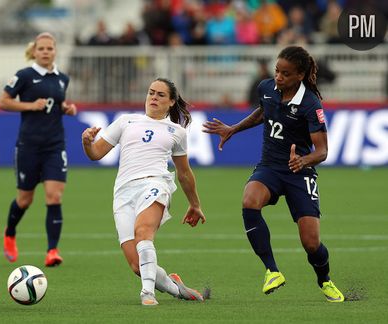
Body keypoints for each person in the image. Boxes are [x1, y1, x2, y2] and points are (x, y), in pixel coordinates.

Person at [202, 46, 344, 302]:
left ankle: (325, 280)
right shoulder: (266, 88)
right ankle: (272, 270)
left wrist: (303, 160)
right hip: (270, 166)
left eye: (285, 73)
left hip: (299, 171)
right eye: (277, 71)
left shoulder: (310, 103)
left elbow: (322, 151)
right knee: (249, 200)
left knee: (311, 244)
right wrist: (233, 128)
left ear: (299, 75)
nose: (278, 77)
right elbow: (264, 112)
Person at [82, 78, 207, 306]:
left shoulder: (176, 132)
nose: (153, 98)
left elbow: (184, 173)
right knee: (135, 265)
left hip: (155, 184)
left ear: (171, 102)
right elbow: (96, 153)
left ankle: (147, 294)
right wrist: (87, 143)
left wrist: (195, 204)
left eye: (160, 95)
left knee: (143, 233)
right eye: (151, 93)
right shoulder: (126, 121)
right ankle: (176, 288)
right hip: (123, 193)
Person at [0, 32, 77, 267]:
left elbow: (55, 105)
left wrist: (65, 108)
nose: (45, 52)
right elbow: (4, 101)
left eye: (49, 48)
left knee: (54, 196)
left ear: (55, 51)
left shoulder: (62, 78)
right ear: (34, 51)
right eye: (41, 48)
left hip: (55, 144)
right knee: (24, 200)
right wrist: (30, 105)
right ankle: (10, 232)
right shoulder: (24, 76)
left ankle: (52, 251)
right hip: (29, 146)